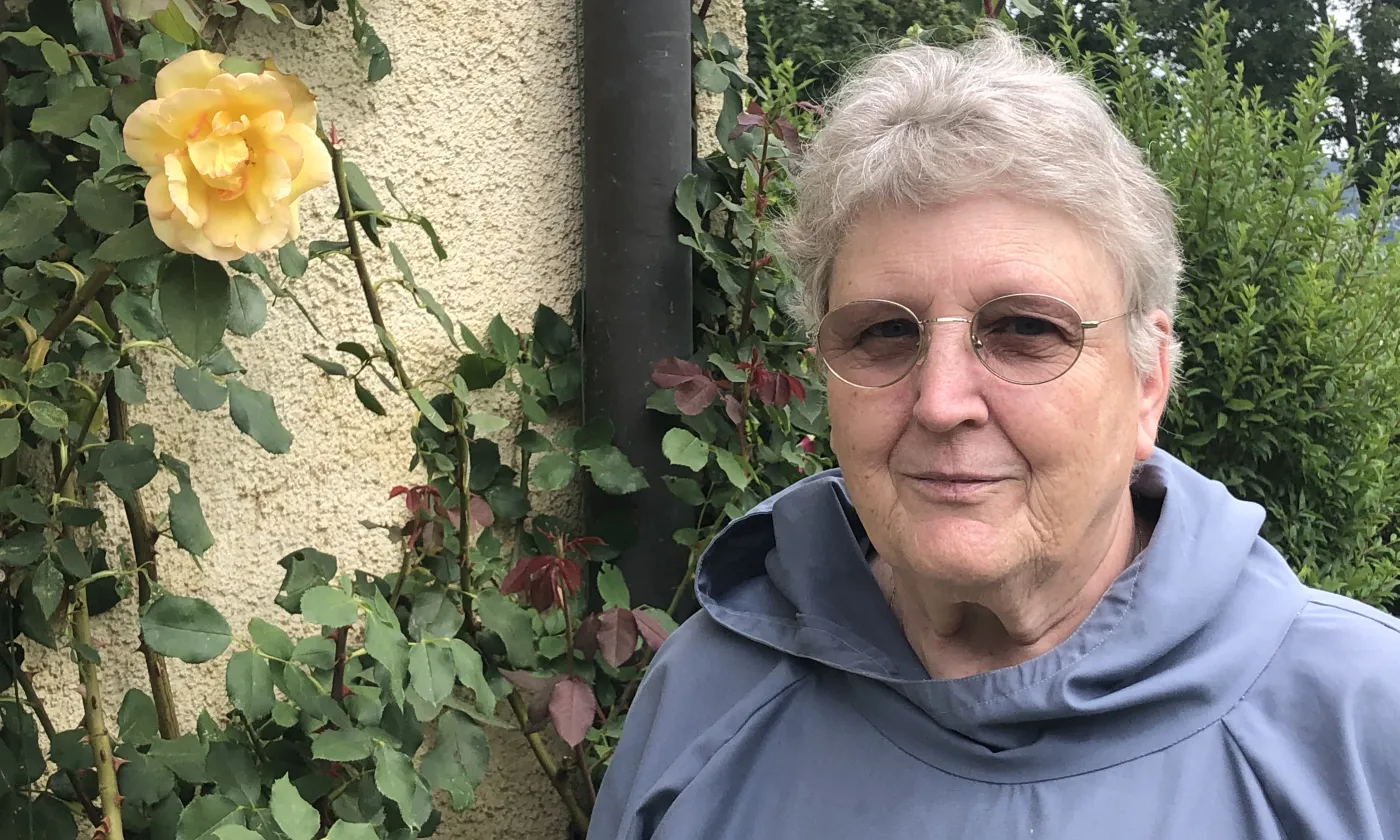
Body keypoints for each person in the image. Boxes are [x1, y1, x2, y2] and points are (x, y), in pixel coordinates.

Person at [588, 24, 1400, 840]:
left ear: (1148, 383)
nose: (942, 403)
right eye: (883, 333)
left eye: (1024, 330)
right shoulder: (705, 698)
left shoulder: (1361, 723)